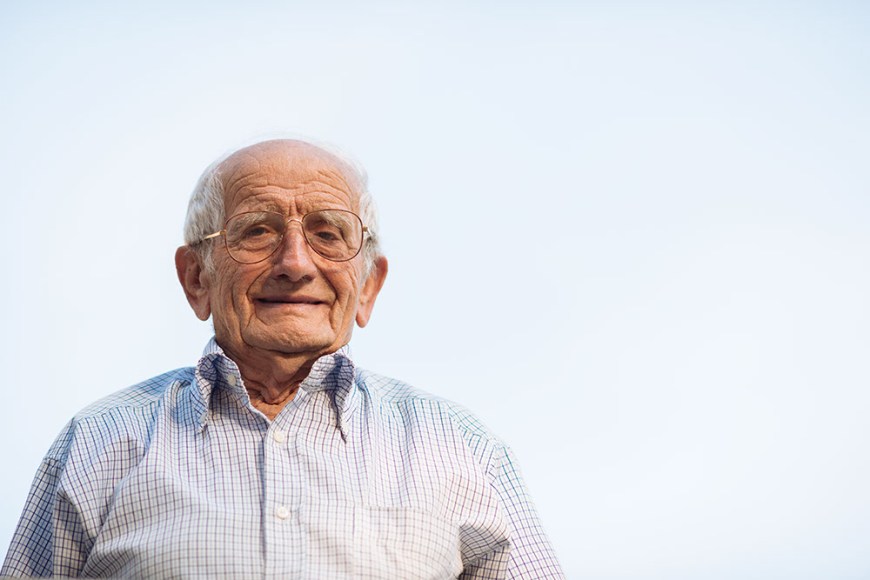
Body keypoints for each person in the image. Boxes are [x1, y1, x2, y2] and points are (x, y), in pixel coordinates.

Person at [1, 139, 564, 579]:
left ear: (367, 287)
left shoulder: (461, 449)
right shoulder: (97, 444)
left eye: (328, 233)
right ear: (196, 278)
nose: (296, 263)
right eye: (257, 231)